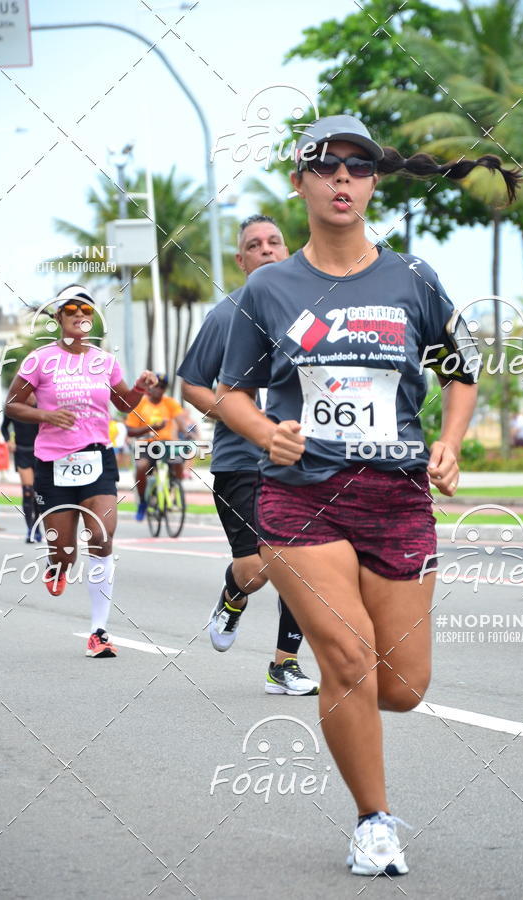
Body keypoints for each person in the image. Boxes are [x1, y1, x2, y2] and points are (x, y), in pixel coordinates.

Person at [216, 115, 520, 875]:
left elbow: (460, 368)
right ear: (301, 183)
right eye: (326, 166)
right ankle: (373, 822)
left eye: (357, 166)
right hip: (299, 497)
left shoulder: (412, 277)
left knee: (404, 686)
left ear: (375, 180)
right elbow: (229, 393)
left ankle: (341, 690)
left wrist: (450, 441)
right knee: (349, 658)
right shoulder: (269, 287)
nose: (342, 179)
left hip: (397, 497)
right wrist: (267, 433)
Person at [178, 214, 318, 696]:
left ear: (288, 250)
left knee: (301, 564)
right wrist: (243, 417)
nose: (266, 250)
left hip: (302, 461)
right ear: (241, 261)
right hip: (240, 461)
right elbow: (192, 384)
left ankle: (284, 665)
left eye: (274, 242)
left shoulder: (311, 312)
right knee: (257, 570)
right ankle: (232, 595)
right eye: (254, 245)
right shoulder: (227, 314)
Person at [5, 284, 157, 658]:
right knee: (65, 552)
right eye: (71, 309)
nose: (79, 315)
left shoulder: (104, 361)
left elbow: (123, 404)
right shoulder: (40, 360)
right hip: (52, 464)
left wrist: (138, 388)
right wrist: (45, 415)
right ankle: (56, 566)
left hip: (97, 458)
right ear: (59, 317)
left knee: (102, 537)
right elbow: (12, 405)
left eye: (86, 310)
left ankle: (99, 632)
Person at [125, 375, 189, 520]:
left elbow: (181, 420)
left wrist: (187, 432)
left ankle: (174, 487)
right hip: (146, 444)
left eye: (162, 387)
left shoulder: (170, 402)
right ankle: (142, 502)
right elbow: (130, 431)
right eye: (156, 386)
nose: (159, 389)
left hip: (166, 444)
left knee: (178, 458)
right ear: (149, 388)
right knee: (141, 467)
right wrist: (151, 428)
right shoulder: (140, 404)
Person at [1, 394, 41, 543]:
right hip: (22, 452)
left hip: (39, 453)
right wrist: (8, 441)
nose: (31, 396)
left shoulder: (41, 406)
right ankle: (30, 529)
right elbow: (4, 427)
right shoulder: (15, 408)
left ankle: (37, 527)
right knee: (28, 492)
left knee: (37, 494)